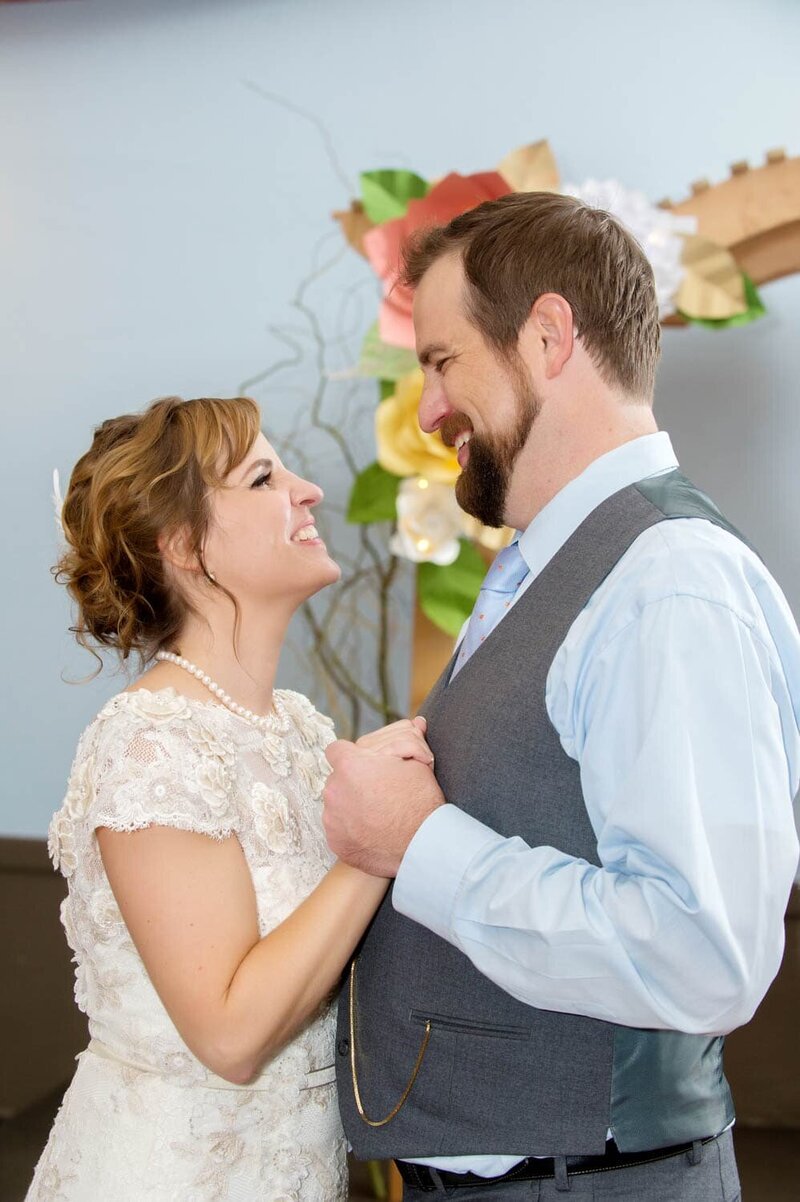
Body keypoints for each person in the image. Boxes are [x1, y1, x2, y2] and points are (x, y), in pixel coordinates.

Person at [322, 192, 800, 1200]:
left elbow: (699, 953)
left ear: (545, 336)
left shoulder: (665, 581)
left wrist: (418, 843)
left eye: (442, 361)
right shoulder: (547, 564)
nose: (427, 409)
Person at [28, 395, 433, 1202]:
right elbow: (229, 1033)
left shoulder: (299, 727)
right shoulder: (149, 743)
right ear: (181, 544)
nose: (309, 489)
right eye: (263, 477)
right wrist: (378, 841)